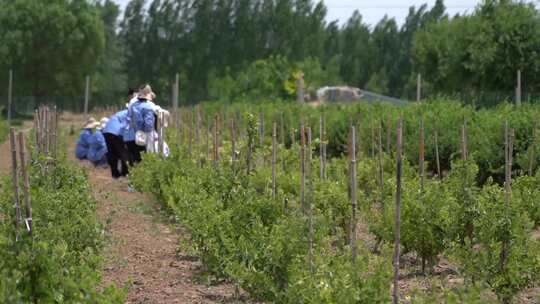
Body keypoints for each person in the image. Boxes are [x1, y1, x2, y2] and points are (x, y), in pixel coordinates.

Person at [125, 84, 156, 164]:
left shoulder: (133, 104)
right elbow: (149, 124)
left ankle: (139, 169)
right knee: (149, 152)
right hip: (148, 132)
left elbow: (128, 118)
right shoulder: (148, 106)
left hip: (136, 132)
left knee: (138, 152)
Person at [103, 108, 130, 178]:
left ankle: (115, 174)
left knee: (112, 153)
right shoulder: (130, 113)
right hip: (116, 132)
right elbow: (125, 127)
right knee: (123, 152)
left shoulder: (121, 112)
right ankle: (125, 172)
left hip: (107, 131)